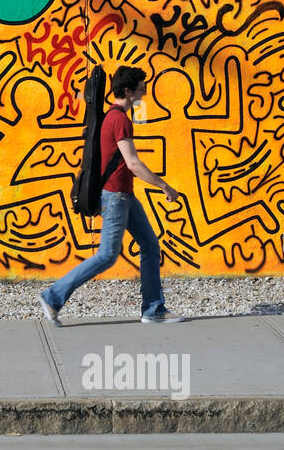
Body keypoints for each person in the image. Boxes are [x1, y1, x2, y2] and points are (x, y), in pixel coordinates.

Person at [41, 66, 183, 324]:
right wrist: (164, 186)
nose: (144, 91)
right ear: (128, 91)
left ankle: (153, 309)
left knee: (150, 246)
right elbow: (133, 163)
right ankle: (53, 296)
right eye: (141, 87)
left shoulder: (113, 116)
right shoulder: (119, 120)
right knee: (107, 255)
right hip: (116, 196)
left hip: (124, 195)